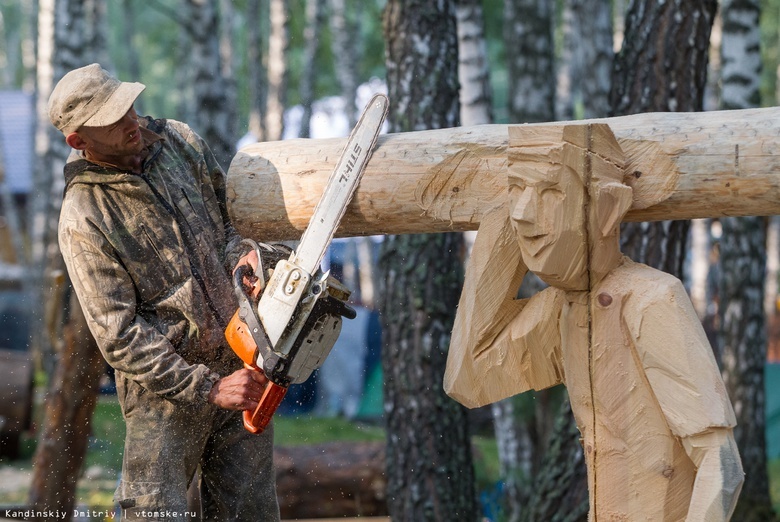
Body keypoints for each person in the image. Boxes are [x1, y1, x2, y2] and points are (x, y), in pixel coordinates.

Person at [444, 124, 744, 521]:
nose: (524, 213)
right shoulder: (562, 307)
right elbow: (469, 379)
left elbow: (721, 464)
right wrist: (500, 228)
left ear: (606, 208)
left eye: (550, 193)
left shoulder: (652, 301)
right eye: (517, 192)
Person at [50, 63, 279, 521]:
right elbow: (118, 335)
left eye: (127, 107)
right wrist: (208, 387)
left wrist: (246, 257)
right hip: (166, 392)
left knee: (249, 510)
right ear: (80, 141)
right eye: (112, 122)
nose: (131, 122)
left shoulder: (179, 141)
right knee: (155, 512)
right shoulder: (84, 216)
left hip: (244, 358)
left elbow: (230, 223)